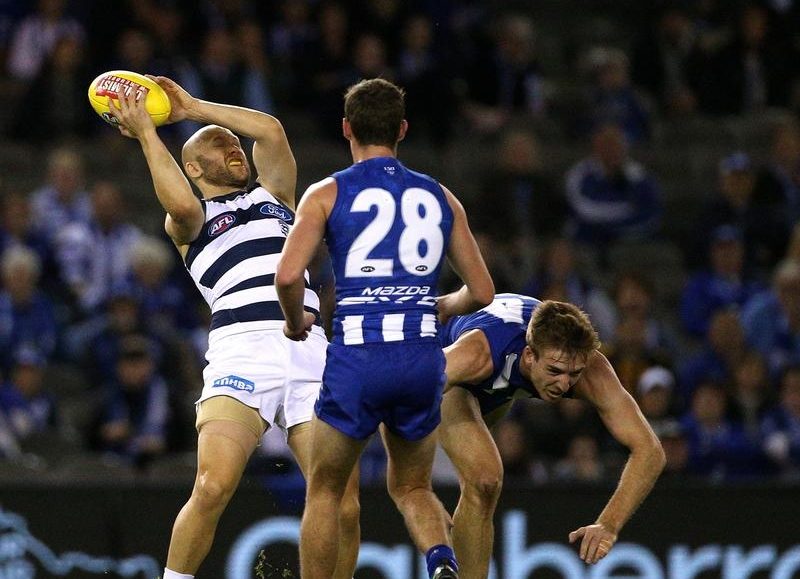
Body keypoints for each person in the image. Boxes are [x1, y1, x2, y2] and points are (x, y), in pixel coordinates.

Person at [105, 75, 359, 579]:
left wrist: (193, 109)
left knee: (342, 502)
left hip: (311, 351)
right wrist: (148, 133)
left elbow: (271, 132)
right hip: (242, 351)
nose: (234, 146)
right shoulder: (190, 221)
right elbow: (179, 204)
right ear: (193, 167)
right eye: (219, 145)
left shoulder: (277, 196)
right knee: (212, 486)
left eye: (233, 141)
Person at [276, 78, 494, 579]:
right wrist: (443, 305)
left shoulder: (326, 193)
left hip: (359, 357)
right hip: (422, 360)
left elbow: (287, 276)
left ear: (346, 128)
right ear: (402, 129)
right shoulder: (440, 197)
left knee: (325, 491)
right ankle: (441, 561)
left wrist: (294, 322)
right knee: (414, 487)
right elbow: (482, 292)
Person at [438, 293, 665, 577]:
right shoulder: (476, 353)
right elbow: (409, 386)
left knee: (482, 481)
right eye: (555, 371)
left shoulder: (590, 369)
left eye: (573, 374)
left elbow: (650, 451)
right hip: (450, 371)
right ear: (529, 355)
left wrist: (609, 524)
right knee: (484, 479)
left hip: (501, 385)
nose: (564, 384)